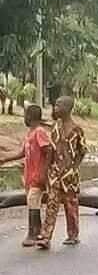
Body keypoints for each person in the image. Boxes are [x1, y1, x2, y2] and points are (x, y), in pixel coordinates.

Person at [36, 96, 87, 249]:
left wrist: (74, 168)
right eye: (56, 105)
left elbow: (82, 151)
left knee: (71, 206)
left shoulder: (77, 129)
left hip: (70, 176)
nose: (55, 108)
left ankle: (73, 234)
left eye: (59, 105)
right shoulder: (55, 127)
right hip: (55, 174)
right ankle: (45, 236)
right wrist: (45, 171)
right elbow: (50, 150)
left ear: (68, 108)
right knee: (51, 204)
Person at [0, 105, 51, 247]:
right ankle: (38, 231)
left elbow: (48, 151)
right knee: (32, 202)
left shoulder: (40, 132)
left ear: (31, 117)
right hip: (29, 176)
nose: (24, 118)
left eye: (25, 115)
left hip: (37, 175)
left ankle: (32, 233)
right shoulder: (29, 133)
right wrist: (5, 158)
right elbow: (21, 152)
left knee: (32, 199)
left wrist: (44, 172)